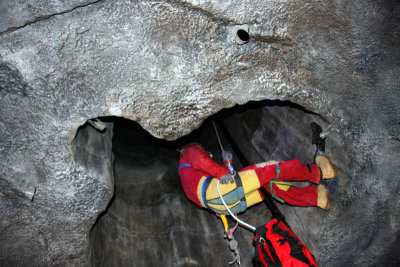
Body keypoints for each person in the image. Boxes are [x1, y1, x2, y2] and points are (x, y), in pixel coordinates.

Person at [178, 143, 338, 214]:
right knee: (269, 170)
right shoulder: (189, 153)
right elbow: (201, 160)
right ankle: (321, 171)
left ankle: (317, 197)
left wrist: (227, 163)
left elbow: (228, 181)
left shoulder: (186, 178)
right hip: (217, 190)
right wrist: (220, 172)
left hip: (222, 206)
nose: (205, 152)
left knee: (270, 189)